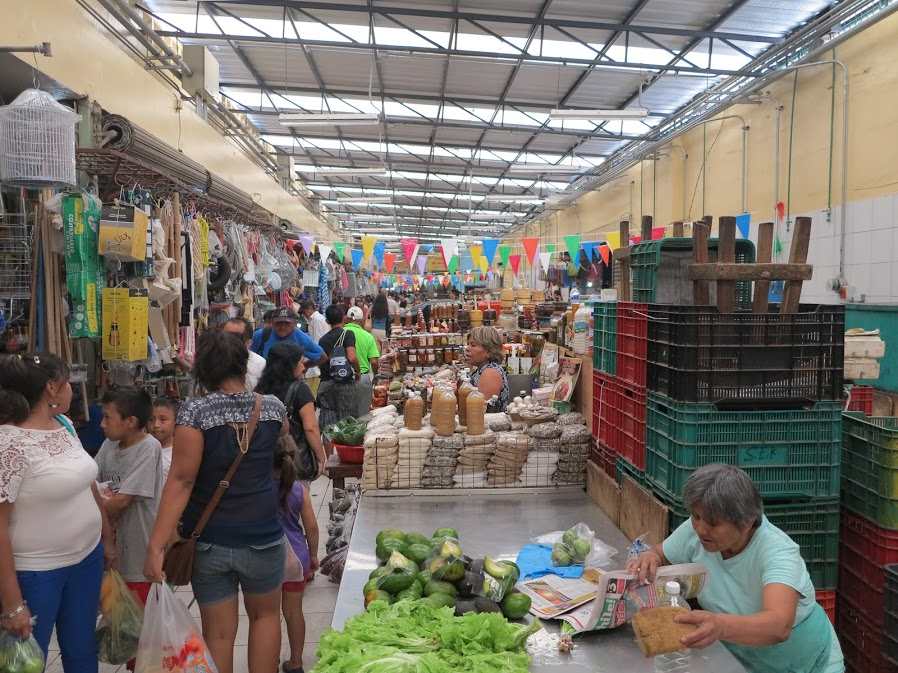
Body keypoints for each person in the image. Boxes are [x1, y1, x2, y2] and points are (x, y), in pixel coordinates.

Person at [144, 331, 287, 673]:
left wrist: (157, 544)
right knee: (266, 616)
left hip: (211, 540)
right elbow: (282, 459)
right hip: (264, 533)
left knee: (219, 634)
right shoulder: (272, 407)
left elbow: (181, 480)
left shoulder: (195, 413)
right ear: (242, 364)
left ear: (204, 369)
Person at [627, 464, 844, 673]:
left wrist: (720, 626)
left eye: (713, 523)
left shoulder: (778, 552)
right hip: (746, 660)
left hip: (808, 664)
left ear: (747, 521)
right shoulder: (697, 533)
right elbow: (660, 553)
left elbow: (779, 625)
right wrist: (650, 557)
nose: (700, 529)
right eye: (696, 516)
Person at [0, 353, 114, 670]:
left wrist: (106, 535)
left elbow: (86, 481)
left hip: (86, 559)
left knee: (81, 650)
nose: (72, 392)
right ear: (52, 388)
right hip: (37, 572)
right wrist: (11, 604)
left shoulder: (62, 424)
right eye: (68, 384)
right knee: (27, 661)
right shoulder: (8, 442)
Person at [96, 388, 164, 611]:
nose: (102, 424)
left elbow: (121, 501)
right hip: (112, 553)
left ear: (131, 421)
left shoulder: (148, 447)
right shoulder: (109, 445)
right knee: (116, 623)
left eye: (108, 417)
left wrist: (100, 500)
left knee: (140, 621)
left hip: (138, 554)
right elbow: (89, 481)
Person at [274, 441, 319, 673]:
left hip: (267, 558)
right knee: (293, 612)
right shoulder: (299, 489)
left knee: (267, 615)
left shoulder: (258, 489)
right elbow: (311, 527)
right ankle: (296, 662)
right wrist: (313, 556)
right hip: (296, 558)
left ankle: (266, 658)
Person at [254, 342, 327, 480]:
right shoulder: (300, 390)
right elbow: (310, 428)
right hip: (294, 459)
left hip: (265, 460)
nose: (303, 366)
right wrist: (320, 457)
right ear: (289, 365)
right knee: (297, 498)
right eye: (300, 362)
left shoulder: (260, 389)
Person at [316, 305, 360, 438]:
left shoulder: (322, 340)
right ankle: (345, 454)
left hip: (326, 384)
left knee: (329, 427)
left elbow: (321, 361)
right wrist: (358, 371)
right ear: (343, 317)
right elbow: (351, 357)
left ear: (327, 321)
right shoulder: (347, 334)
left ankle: (329, 458)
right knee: (347, 422)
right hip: (344, 384)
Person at [250, 308, 326, 364]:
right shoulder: (260, 335)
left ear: (294, 324)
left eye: (287, 324)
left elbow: (323, 357)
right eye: (279, 323)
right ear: (272, 323)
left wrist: (305, 366)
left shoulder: (300, 337)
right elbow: (247, 358)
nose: (282, 327)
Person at [344, 306, 380, 417]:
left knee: (345, 416)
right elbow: (374, 362)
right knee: (363, 415)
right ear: (362, 320)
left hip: (342, 379)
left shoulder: (340, 333)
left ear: (347, 319)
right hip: (362, 379)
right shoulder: (368, 337)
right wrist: (375, 376)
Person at [466, 326, 509, 412]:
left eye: (473, 345)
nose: (467, 348)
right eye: (468, 344)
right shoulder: (482, 368)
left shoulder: (490, 373)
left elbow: (478, 410)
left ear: (489, 351)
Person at [223, 317, 267, 391]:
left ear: (249, 343)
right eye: (224, 336)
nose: (229, 341)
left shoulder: (260, 364)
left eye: (236, 337)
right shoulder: (213, 361)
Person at [299, 300, 329, 397]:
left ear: (308, 310)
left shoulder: (317, 320)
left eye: (303, 312)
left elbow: (317, 341)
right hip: (316, 359)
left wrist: (311, 358)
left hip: (317, 361)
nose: (304, 315)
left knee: (312, 391)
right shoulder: (314, 320)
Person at [150, 397, 179, 482]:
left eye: (163, 419)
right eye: (151, 419)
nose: (156, 425)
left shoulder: (178, 455)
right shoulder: (143, 450)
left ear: (175, 422)